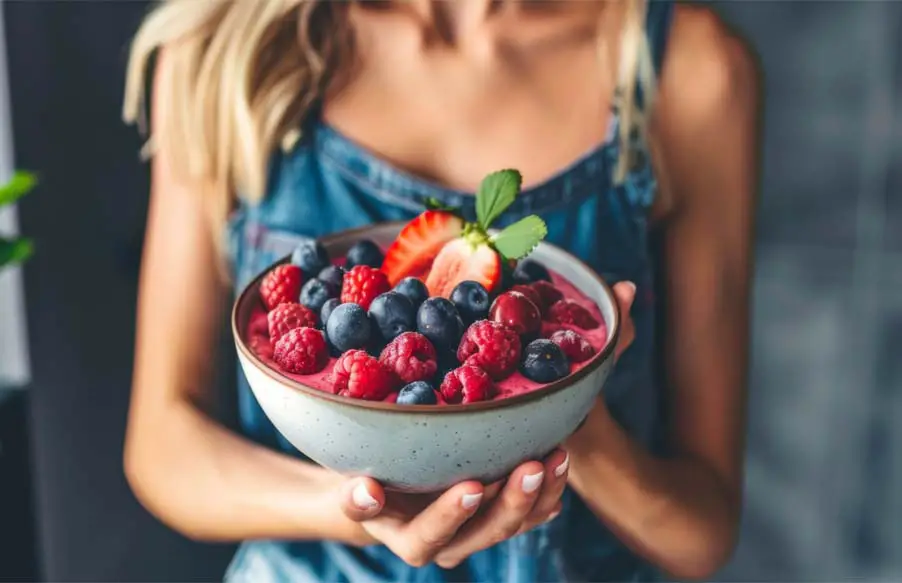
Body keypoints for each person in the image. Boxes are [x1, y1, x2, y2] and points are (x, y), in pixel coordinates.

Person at [121, 0, 759, 581]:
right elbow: (164, 447)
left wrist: (565, 414)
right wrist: (359, 509)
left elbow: (699, 535)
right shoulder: (229, 48)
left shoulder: (690, 69)